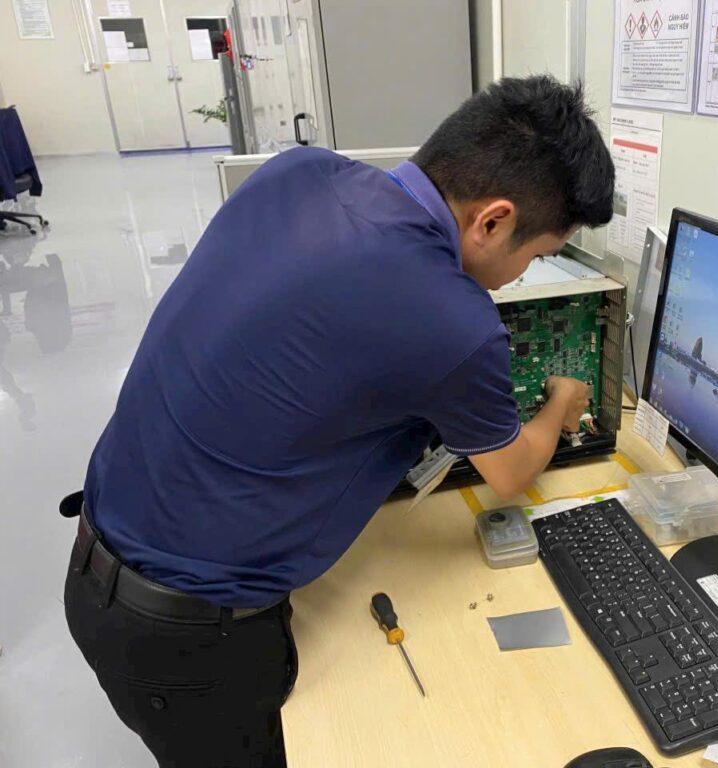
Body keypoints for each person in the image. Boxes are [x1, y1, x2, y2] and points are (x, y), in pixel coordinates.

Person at [62, 75, 615, 767]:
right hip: (186, 635)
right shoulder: (451, 319)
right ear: (493, 221)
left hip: (106, 546)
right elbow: (510, 475)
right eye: (535, 258)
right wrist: (561, 402)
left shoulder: (297, 172)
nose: (520, 278)